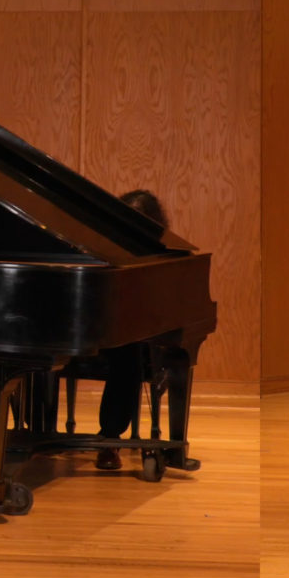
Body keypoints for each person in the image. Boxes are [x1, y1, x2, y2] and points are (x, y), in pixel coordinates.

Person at [89, 189, 170, 468]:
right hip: (93, 333)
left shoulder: (163, 257)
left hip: (135, 341)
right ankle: (38, 431)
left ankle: (110, 439)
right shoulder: (100, 249)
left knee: (127, 351)